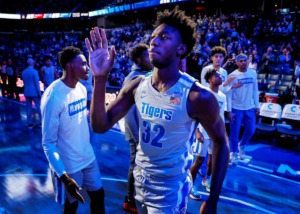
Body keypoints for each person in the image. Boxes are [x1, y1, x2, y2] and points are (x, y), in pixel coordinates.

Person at [85, 7, 229, 214]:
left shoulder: (198, 96)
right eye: (153, 37)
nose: (154, 41)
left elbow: (221, 143)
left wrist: (213, 200)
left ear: (180, 49)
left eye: (164, 37)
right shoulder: (136, 85)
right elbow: (99, 126)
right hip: (140, 179)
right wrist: (99, 78)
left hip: (170, 188)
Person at [40, 46, 105, 214]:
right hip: (69, 166)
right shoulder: (54, 97)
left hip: (88, 157)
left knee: (99, 196)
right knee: (71, 206)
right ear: (69, 66)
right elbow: (48, 143)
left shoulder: (82, 89)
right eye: (83, 64)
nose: (87, 68)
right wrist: (63, 175)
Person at [122, 43, 153, 214]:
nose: (151, 59)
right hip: (137, 133)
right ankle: (129, 199)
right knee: (135, 165)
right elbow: (128, 111)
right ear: (139, 59)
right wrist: (137, 137)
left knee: (142, 166)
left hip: (145, 133)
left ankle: (139, 196)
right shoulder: (133, 78)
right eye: (147, 56)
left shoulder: (146, 74)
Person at [190, 69, 227, 200]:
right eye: (216, 75)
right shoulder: (204, 94)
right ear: (210, 79)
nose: (220, 77)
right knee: (199, 161)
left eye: (220, 75)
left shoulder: (222, 96)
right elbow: (195, 115)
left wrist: (223, 133)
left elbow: (221, 116)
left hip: (215, 133)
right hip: (203, 132)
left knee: (213, 159)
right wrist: (197, 131)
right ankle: (190, 186)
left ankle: (207, 180)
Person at [226, 54, 260, 165]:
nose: (244, 62)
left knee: (251, 130)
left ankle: (242, 146)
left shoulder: (253, 73)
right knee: (234, 133)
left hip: (249, 107)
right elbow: (229, 94)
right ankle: (234, 153)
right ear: (237, 63)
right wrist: (229, 111)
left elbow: (255, 90)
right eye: (241, 61)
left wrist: (257, 106)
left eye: (245, 60)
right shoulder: (232, 75)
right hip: (236, 108)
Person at [21, 58, 42, 129]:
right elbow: (36, 84)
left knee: (28, 108)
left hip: (27, 92)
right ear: (33, 63)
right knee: (39, 107)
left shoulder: (24, 72)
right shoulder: (34, 72)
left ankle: (29, 123)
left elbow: (24, 82)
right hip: (34, 92)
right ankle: (41, 121)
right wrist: (39, 93)